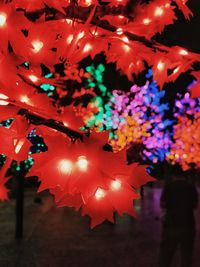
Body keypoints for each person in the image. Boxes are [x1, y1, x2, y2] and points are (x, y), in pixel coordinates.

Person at [159, 165, 198, 267]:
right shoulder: (190, 187)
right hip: (188, 225)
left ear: (173, 175)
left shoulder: (169, 187)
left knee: (166, 256)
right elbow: (194, 205)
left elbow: (163, 204)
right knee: (186, 256)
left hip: (171, 225)